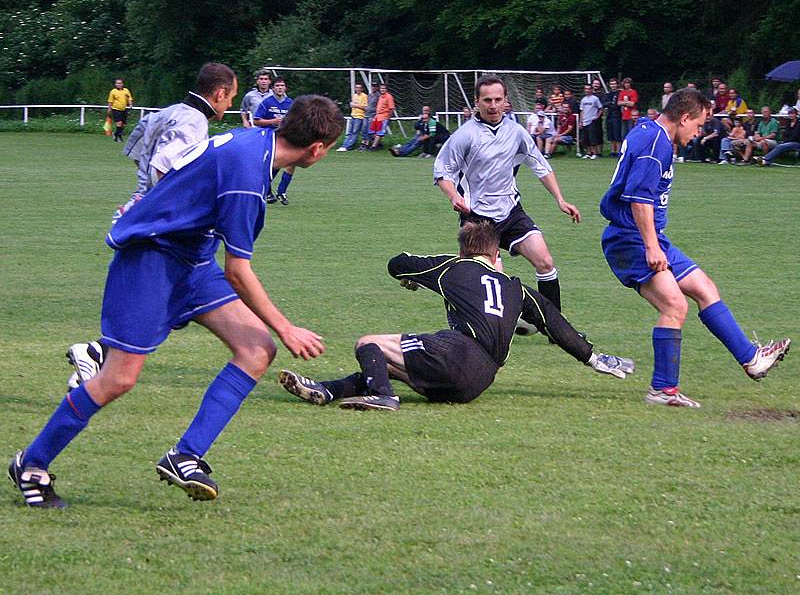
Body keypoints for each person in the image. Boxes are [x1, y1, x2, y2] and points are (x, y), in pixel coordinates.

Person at [8, 95, 345, 508]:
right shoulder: (248, 177)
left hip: (192, 261)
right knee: (118, 379)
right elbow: (238, 271)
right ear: (317, 149)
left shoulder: (254, 142)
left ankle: (185, 455)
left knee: (256, 349)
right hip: (151, 261)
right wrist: (287, 326)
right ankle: (32, 463)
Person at [278, 222, 635, 411]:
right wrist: (593, 358)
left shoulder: (455, 266)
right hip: (478, 382)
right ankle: (326, 390)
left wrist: (412, 277)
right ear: (497, 257)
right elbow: (556, 324)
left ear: (466, 251)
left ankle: (383, 397)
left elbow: (397, 263)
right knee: (383, 362)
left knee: (368, 343)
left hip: (458, 354)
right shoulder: (517, 288)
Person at [599, 88, 790, 408]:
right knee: (674, 307)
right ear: (684, 117)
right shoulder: (656, 144)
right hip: (631, 238)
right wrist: (651, 247)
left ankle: (751, 359)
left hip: (648, 236)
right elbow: (639, 198)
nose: (699, 132)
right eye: (699, 125)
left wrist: (655, 242)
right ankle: (662, 390)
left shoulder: (648, 130)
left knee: (704, 287)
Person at [66, 63, 240, 389]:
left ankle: (97, 355)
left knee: (172, 302)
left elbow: (135, 151)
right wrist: (177, 209)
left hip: (139, 209)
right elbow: (164, 168)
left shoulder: (166, 112)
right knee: (169, 299)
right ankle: (97, 353)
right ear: (219, 94)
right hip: (158, 226)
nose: (230, 104)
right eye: (231, 97)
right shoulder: (194, 122)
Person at [433, 75, 580, 315]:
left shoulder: (516, 132)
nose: (493, 105)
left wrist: (560, 199)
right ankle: (487, 327)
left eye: (497, 99)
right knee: (491, 280)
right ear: (477, 102)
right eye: (487, 100)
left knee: (545, 262)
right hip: (477, 217)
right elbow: (442, 172)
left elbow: (540, 166)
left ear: (505, 101)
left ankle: (557, 329)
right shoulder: (464, 135)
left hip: (511, 212)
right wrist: (452, 196)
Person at [254, 76, 295, 204]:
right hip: (270, 138)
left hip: (286, 137)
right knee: (273, 164)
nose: (280, 88)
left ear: (285, 88)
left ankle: (282, 192)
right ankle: (266, 190)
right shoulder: (267, 103)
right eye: (277, 86)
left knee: (291, 164)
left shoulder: (291, 103)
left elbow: (296, 121)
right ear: (273, 88)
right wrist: (273, 121)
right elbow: (256, 121)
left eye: (282, 86)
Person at [337, 82, 369, 151]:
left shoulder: (364, 96)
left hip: (359, 117)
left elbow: (365, 107)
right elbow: (352, 105)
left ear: (362, 89)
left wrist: (355, 105)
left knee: (354, 132)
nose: (358, 89)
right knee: (349, 132)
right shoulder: (354, 95)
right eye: (357, 87)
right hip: (353, 115)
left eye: (359, 88)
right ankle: (344, 145)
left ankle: (348, 146)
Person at [368, 83, 395, 150]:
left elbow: (391, 108)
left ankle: (374, 146)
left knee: (379, 133)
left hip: (384, 117)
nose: (382, 90)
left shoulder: (389, 97)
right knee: (371, 132)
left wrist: (388, 117)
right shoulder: (380, 96)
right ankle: (379, 144)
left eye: (384, 88)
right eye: (381, 88)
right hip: (377, 116)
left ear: (386, 89)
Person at [579, 84, 603, 159]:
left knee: (593, 138)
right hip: (585, 120)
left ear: (591, 90)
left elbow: (601, 108)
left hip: (592, 121)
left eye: (589, 89)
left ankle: (594, 153)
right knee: (585, 138)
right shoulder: (583, 100)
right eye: (586, 89)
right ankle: (588, 153)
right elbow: (582, 111)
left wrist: (597, 117)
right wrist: (581, 121)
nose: (587, 90)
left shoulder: (595, 99)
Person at [107, 78, 133, 142]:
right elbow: (110, 101)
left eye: (120, 83)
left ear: (122, 84)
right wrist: (109, 108)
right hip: (116, 109)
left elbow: (129, 98)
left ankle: (116, 134)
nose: (119, 84)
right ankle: (119, 136)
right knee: (119, 123)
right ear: (115, 84)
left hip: (124, 109)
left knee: (123, 125)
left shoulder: (126, 90)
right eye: (118, 83)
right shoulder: (113, 91)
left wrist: (130, 104)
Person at [603, 78, 622, 157]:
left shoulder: (620, 93)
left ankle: (618, 151)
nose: (613, 85)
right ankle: (612, 151)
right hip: (609, 115)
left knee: (617, 134)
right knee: (611, 134)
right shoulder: (608, 94)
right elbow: (604, 104)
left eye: (614, 84)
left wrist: (611, 104)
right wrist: (610, 103)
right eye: (611, 84)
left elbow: (617, 104)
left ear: (617, 84)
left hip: (617, 115)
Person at [359, 83, 380, 150]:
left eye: (375, 86)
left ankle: (367, 144)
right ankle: (363, 143)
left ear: (377, 87)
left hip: (373, 115)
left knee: (370, 130)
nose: (373, 87)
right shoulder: (369, 95)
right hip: (366, 114)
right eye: (372, 86)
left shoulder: (378, 96)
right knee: (364, 129)